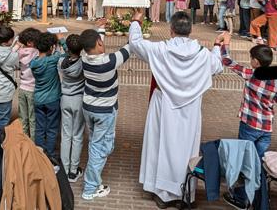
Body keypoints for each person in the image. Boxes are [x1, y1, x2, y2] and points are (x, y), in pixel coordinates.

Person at [129, 11, 223, 207]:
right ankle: (183, 193)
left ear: (171, 30)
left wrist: (136, 22)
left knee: (161, 144)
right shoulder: (202, 54)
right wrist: (216, 46)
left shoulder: (160, 49)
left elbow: (135, 43)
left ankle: (161, 194)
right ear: (190, 30)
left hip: (164, 103)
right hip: (190, 108)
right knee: (186, 149)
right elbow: (217, 66)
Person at [222, 43, 277, 209]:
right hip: (266, 127)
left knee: (246, 162)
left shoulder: (252, 74)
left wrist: (224, 44)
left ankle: (242, 197)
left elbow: (228, 61)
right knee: (258, 163)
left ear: (256, 61)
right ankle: (259, 200)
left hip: (250, 125)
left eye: (251, 58)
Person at [79, 25, 132, 201]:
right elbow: (130, 47)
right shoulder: (110, 61)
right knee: (100, 148)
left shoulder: (84, 58)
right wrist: (135, 23)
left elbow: (95, 42)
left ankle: (92, 176)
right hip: (105, 112)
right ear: (99, 43)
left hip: (89, 108)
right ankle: (90, 188)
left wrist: (100, 28)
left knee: (95, 143)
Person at [30, 32, 65, 157]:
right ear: (51, 47)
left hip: (38, 99)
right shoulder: (53, 59)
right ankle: (50, 154)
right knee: (52, 128)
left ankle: (39, 153)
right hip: (52, 99)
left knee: (40, 127)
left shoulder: (33, 62)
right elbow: (67, 54)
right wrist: (62, 40)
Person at [58, 34, 85, 182]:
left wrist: (62, 41)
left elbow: (66, 54)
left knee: (66, 135)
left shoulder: (61, 61)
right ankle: (73, 171)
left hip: (65, 99)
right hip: (79, 100)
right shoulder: (83, 63)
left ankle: (64, 167)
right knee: (78, 135)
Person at [17, 27, 41, 138]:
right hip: (33, 88)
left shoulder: (19, 52)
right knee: (33, 118)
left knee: (23, 117)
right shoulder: (36, 52)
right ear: (30, 42)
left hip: (22, 87)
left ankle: (24, 138)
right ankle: (33, 141)